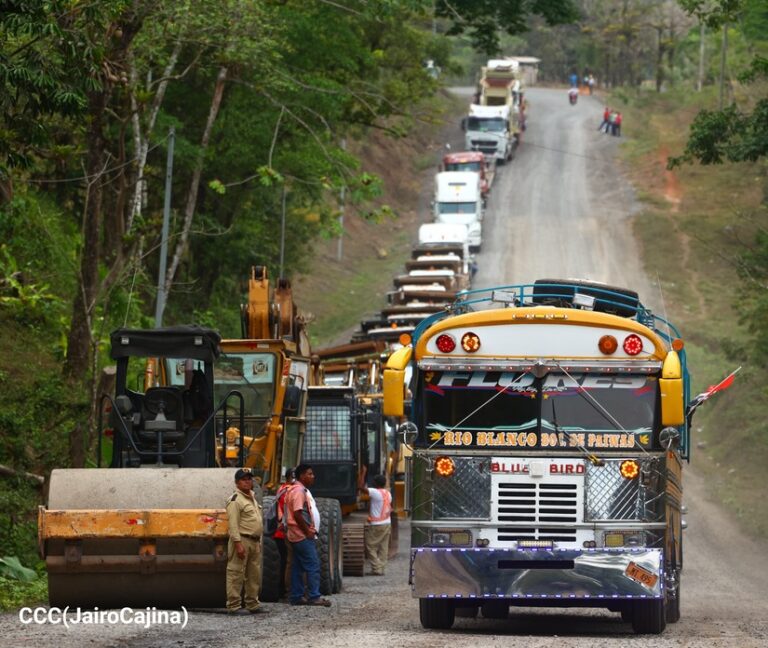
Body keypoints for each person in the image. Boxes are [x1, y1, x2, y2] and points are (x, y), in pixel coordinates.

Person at [285, 463, 331, 607]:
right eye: (310, 474)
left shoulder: (295, 489)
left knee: (298, 566)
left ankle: (297, 596)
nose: (313, 477)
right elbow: (298, 513)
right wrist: (307, 531)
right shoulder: (299, 491)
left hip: (295, 534)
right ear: (302, 476)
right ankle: (314, 596)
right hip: (301, 535)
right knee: (313, 565)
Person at [226, 467, 267, 614]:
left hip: (254, 541)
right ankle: (234, 606)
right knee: (236, 573)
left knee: (253, 574)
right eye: (244, 479)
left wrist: (259, 541)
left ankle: (252, 604)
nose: (248, 481)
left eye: (249, 479)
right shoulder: (235, 500)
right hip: (242, 540)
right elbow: (233, 525)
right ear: (237, 483)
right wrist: (237, 544)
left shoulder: (252, 498)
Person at [360, 474, 393, 576]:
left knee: (370, 546)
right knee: (384, 547)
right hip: (387, 523)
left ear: (375, 483)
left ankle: (377, 567)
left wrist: (363, 473)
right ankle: (381, 568)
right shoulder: (388, 494)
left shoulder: (375, 492)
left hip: (376, 524)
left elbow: (361, 488)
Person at [273, 467, 295, 600]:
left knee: (283, 561)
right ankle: (286, 591)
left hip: (279, 532)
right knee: (289, 562)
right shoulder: (290, 491)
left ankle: (281, 591)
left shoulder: (280, 489)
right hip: (286, 531)